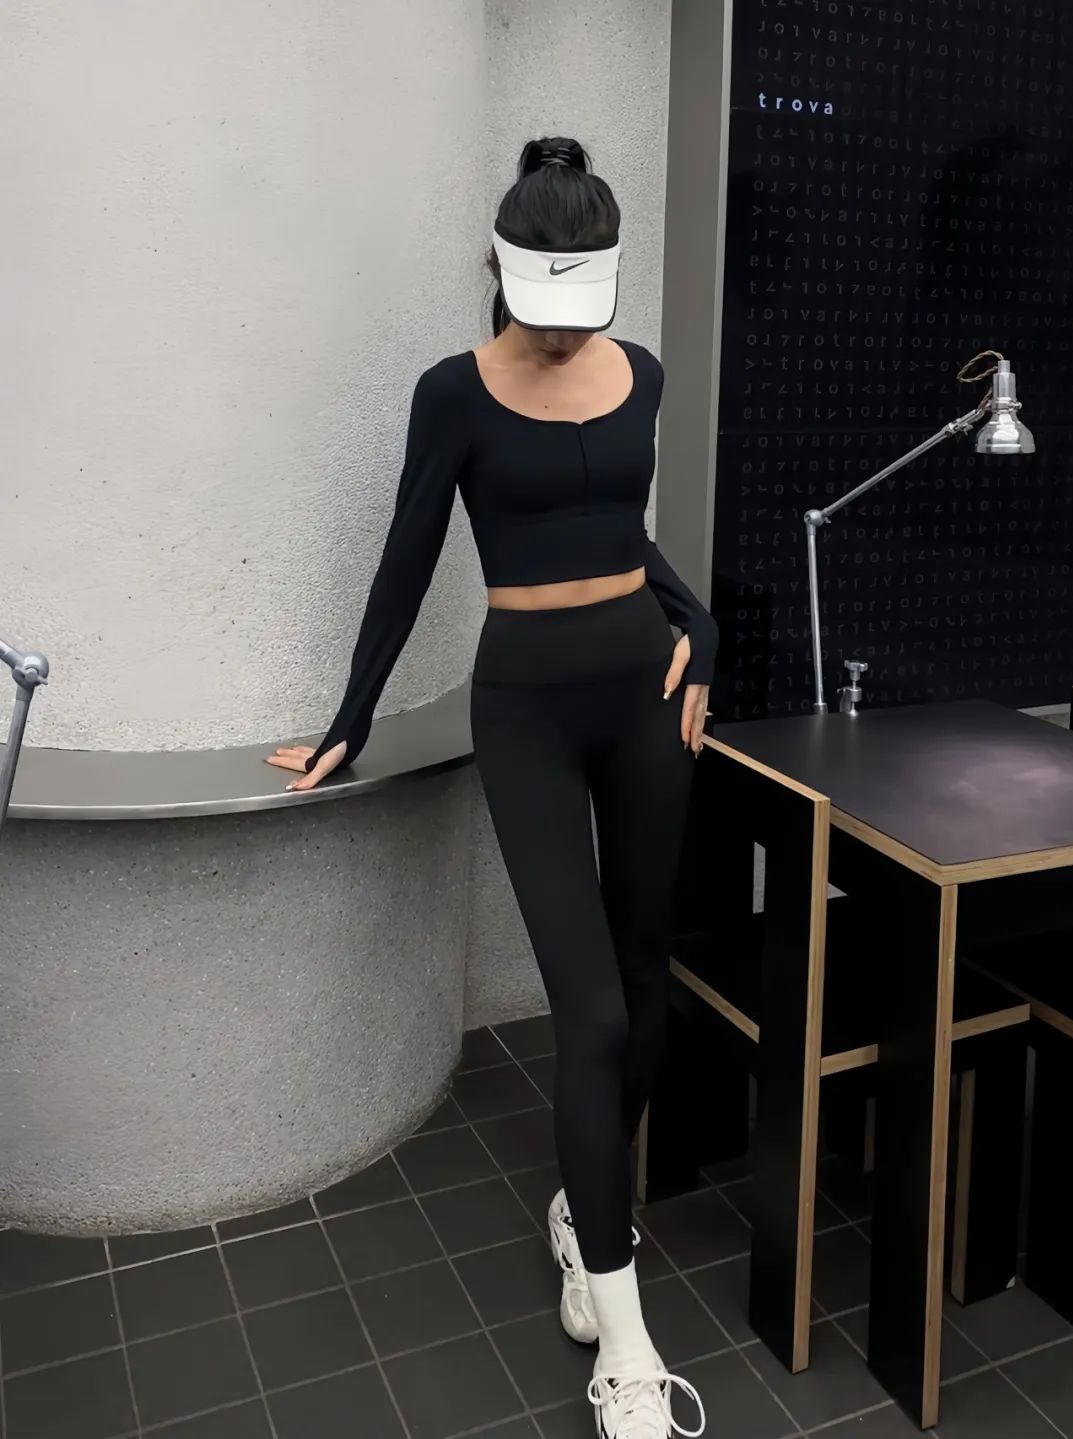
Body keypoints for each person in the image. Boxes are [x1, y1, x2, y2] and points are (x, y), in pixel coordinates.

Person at [267, 136, 714, 1439]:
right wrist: (349, 720)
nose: (569, 338)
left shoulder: (644, 373)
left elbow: (622, 535)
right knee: (590, 1012)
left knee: (648, 987)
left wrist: (701, 628)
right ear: (505, 273)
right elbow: (408, 557)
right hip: (527, 713)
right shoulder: (453, 394)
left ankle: (587, 1214)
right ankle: (628, 1348)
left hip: (643, 699)